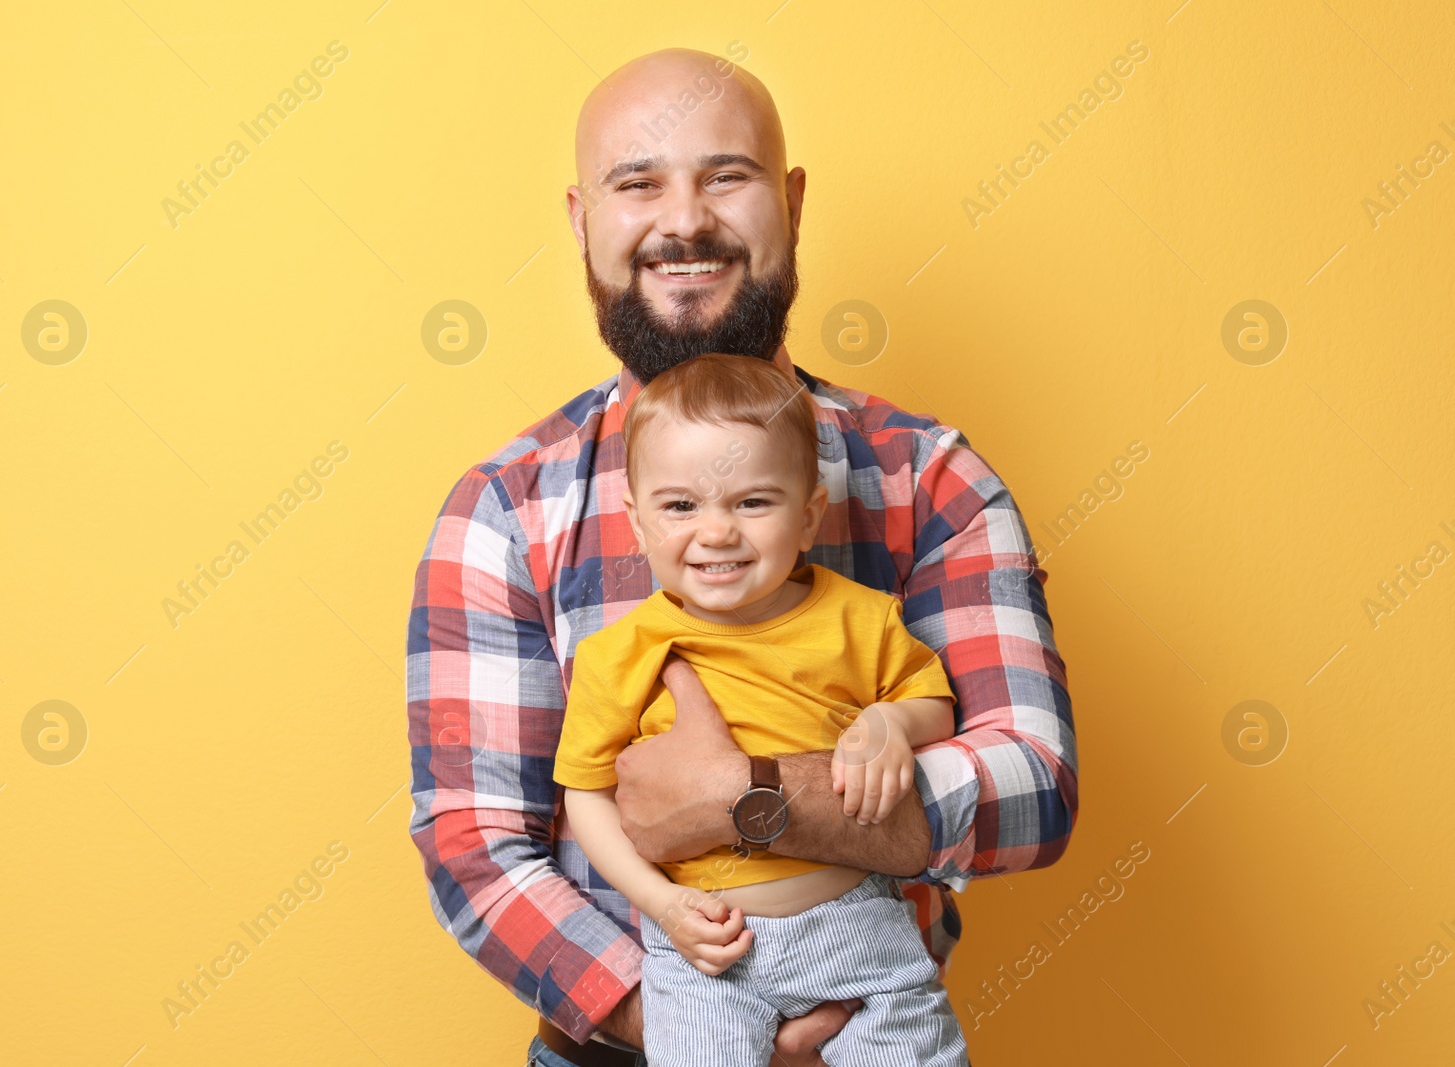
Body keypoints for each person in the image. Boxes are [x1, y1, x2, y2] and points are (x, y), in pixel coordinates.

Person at [406, 46, 1077, 1067]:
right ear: (585, 220)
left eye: (726, 174)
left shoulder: (930, 479)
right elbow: (475, 846)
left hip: (879, 1017)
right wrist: (696, 1024)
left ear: (791, 203)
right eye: (638, 183)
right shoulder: (503, 511)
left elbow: (1031, 787)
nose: (683, 220)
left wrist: (745, 796)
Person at [555, 353, 971, 1066]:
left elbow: (934, 705)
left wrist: (890, 723)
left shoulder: (861, 619)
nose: (716, 531)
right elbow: (584, 795)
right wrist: (661, 902)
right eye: (681, 506)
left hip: (857, 929)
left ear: (808, 515)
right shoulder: (618, 654)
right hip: (706, 948)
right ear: (638, 522)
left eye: (752, 502)